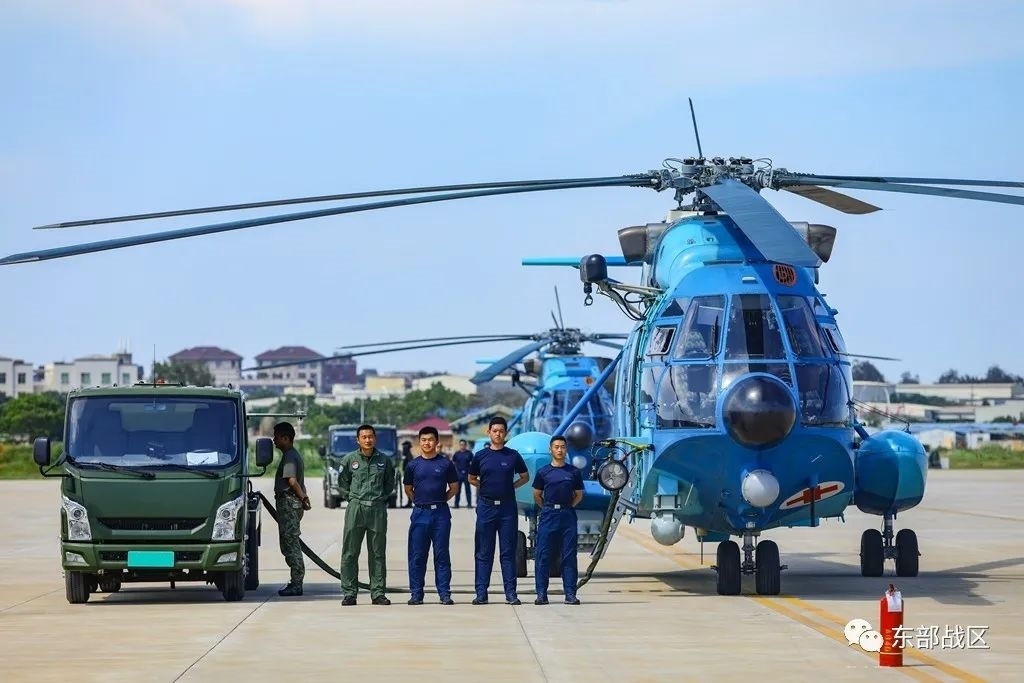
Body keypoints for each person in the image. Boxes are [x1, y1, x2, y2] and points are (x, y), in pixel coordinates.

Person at [468, 416, 529, 605]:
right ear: (489, 432)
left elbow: (525, 477)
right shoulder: (480, 456)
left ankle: (511, 593)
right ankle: (481, 593)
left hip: (507, 508)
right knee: (483, 552)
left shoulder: (512, 455)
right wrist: (485, 487)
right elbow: (471, 478)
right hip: (486, 507)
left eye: (501, 431)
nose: (498, 434)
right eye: (494, 431)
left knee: (508, 553)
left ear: (506, 433)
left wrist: (511, 487)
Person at [338, 424, 396, 606]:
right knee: (350, 552)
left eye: (370, 436)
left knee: (377, 552)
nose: (368, 440)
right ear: (358, 440)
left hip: (377, 509)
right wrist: (352, 499)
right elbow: (342, 483)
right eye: (364, 437)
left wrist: (381, 498)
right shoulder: (349, 460)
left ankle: (378, 593)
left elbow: (390, 483)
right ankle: (349, 593)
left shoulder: (384, 460)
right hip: (356, 508)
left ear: (375, 438)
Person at [403, 425, 459, 605]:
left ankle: (444, 593)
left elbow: (454, 487)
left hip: (440, 514)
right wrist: (420, 502)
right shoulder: (413, 465)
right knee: (417, 556)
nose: (427, 443)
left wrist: (441, 500)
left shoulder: (445, 464)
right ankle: (416, 594)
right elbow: (408, 489)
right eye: (424, 440)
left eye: (430, 440)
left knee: (441, 555)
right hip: (420, 513)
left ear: (437, 442)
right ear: (419, 442)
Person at [532, 435, 583, 605]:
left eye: (562, 447)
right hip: (548, 515)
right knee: (543, 555)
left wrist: (566, 507)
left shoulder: (573, 472)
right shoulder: (543, 472)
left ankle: (570, 594)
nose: (559, 450)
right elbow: (537, 495)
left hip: (567, 515)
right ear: (550, 450)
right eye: (556, 447)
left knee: (569, 556)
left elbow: (578, 495)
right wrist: (548, 508)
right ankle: (541, 594)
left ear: (566, 449)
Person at [272, 421, 311, 597]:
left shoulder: (289, 456)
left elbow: (292, 481)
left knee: (291, 544)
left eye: (277, 437)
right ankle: (296, 581)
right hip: (290, 503)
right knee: (288, 543)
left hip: (289, 503)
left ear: (286, 438)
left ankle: (296, 583)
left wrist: (303, 498)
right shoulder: (292, 455)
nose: (274, 440)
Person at [451, 439, 474, 508]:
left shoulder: (469, 453)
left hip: (467, 474)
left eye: (463, 444)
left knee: (468, 490)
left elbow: (473, 463)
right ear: (459, 445)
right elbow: (453, 462)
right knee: (457, 490)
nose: (462, 446)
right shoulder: (457, 453)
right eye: (461, 444)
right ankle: (456, 504)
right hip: (458, 474)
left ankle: (469, 504)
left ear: (465, 445)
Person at [400, 440, 415, 507]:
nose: (403, 449)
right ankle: (409, 502)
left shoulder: (409, 456)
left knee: (409, 489)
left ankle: (410, 502)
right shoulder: (407, 455)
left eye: (404, 448)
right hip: (407, 475)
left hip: (409, 476)